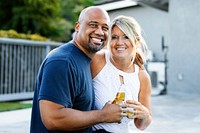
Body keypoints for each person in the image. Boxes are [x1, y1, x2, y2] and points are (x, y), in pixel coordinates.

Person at [30, 6, 123, 133]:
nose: (100, 32)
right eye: (93, 25)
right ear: (78, 27)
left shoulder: (85, 60)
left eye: (105, 28)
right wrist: (103, 115)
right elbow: (53, 118)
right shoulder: (63, 62)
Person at [91, 15, 152, 133]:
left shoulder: (142, 77)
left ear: (137, 41)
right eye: (114, 37)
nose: (119, 42)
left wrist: (145, 115)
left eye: (126, 37)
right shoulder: (97, 61)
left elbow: (141, 126)